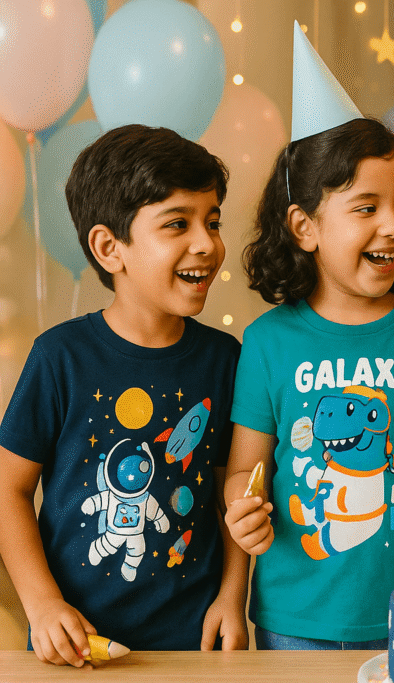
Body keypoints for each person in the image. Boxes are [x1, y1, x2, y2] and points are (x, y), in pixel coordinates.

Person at [222, 24, 394, 650]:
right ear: (304, 226)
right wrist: (241, 508)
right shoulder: (268, 342)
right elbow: (246, 470)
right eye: (366, 208)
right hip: (292, 621)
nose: (393, 226)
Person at [0, 124, 248, 666]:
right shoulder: (59, 358)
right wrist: (42, 605)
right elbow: (6, 491)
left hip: (195, 644)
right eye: (177, 223)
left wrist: (233, 596)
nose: (207, 243)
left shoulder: (226, 359)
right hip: (76, 646)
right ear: (109, 247)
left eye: (212, 221)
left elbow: (234, 489)